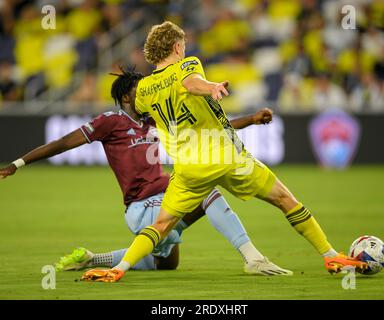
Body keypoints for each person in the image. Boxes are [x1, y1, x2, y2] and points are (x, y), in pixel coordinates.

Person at [78, 21, 367, 282]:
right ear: (177, 46)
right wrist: (212, 86)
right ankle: (330, 256)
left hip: (189, 168)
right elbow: (190, 83)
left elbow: (145, 110)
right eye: (183, 45)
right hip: (225, 158)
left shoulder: (143, 91)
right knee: (284, 198)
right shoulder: (187, 64)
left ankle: (118, 269)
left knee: (163, 224)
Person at [0, 66, 292, 276]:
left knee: (166, 263)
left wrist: (251, 119)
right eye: (140, 92)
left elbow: (212, 127)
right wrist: (17, 163)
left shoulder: (156, 120)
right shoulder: (110, 121)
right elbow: (64, 142)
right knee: (207, 191)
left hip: (164, 197)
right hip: (141, 205)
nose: (146, 95)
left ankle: (93, 258)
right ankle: (252, 257)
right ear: (127, 99)